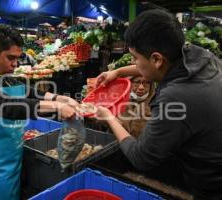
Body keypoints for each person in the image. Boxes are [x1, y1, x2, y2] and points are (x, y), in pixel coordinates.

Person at [95, 9, 222, 199]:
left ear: (156, 59)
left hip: (212, 183)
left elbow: (141, 158)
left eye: (135, 58)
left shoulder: (176, 97)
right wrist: (120, 72)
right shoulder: (201, 57)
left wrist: (110, 118)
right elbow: (151, 67)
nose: (134, 63)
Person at [0, 26, 78, 200]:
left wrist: (59, 98)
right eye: (11, 58)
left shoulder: (2, 73)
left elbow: (26, 91)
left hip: (12, 156)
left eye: (17, 58)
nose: (15, 64)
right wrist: (56, 108)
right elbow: (6, 105)